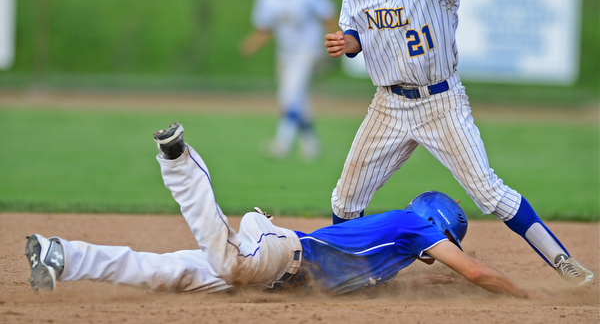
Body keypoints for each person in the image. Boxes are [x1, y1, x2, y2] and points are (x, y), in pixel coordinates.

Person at [323, 0, 595, 287]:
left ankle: (564, 262)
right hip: (389, 105)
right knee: (345, 199)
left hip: (441, 102)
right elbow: (354, 38)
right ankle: (346, 272)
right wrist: (342, 44)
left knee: (489, 193)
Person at [26, 122, 543, 299]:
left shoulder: (399, 249)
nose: (445, 253)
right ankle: (180, 160)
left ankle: (60, 256)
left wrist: (417, 282)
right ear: (439, 231)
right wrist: (524, 296)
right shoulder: (414, 226)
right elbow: (475, 271)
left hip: (274, 264)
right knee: (229, 263)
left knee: (170, 273)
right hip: (278, 254)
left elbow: (358, 275)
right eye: (448, 243)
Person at [240, 0, 337, 160]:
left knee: (290, 96)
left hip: (307, 50)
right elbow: (265, 28)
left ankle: (282, 144)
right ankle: (311, 145)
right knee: (296, 99)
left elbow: (328, 13)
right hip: (285, 53)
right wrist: (252, 44)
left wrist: (333, 42)